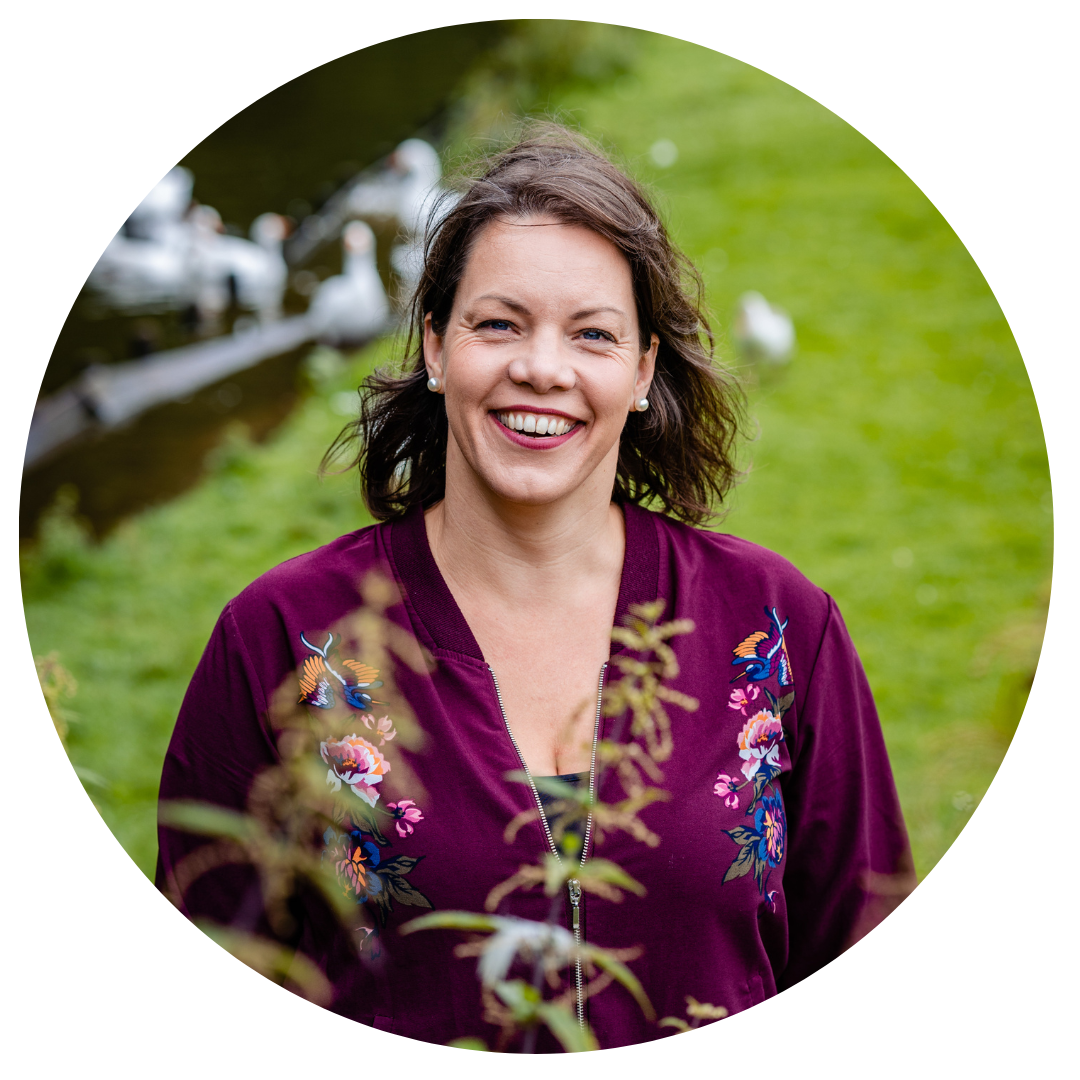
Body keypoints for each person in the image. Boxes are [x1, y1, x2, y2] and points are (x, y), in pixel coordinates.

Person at [156, 124, 913, 1051]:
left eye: (592, 334)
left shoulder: (777, 626)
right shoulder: (282, 636)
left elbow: (869, 970)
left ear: (641, 371)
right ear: (437, 349)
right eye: (498, 324)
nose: (542, 369)